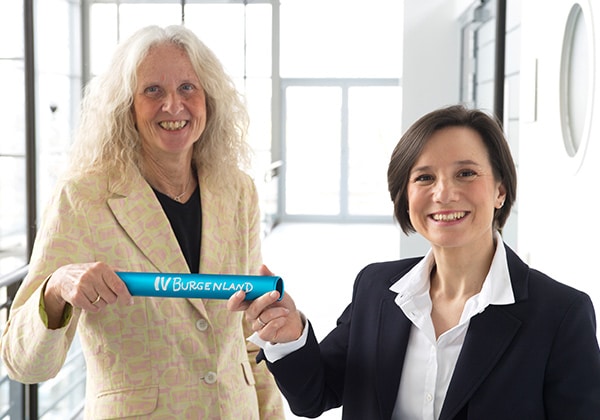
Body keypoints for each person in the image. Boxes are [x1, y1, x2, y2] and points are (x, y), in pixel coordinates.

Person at [228, 105, 600, 419]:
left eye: (466, 173)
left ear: (500, 191)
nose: (444, 193)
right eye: (424, 177)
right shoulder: (376, 288)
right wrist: (290, 335)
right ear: (405, 198)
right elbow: (316, 394)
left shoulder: (561, 314)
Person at [1, 25, 284, 419]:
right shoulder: (84, 198)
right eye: (153, 90)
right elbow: (24, 364)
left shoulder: (238, 191)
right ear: (126, 106)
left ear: (208, 100)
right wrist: (56, 288)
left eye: (187, 87)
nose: (173, 105)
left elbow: (249, 335)